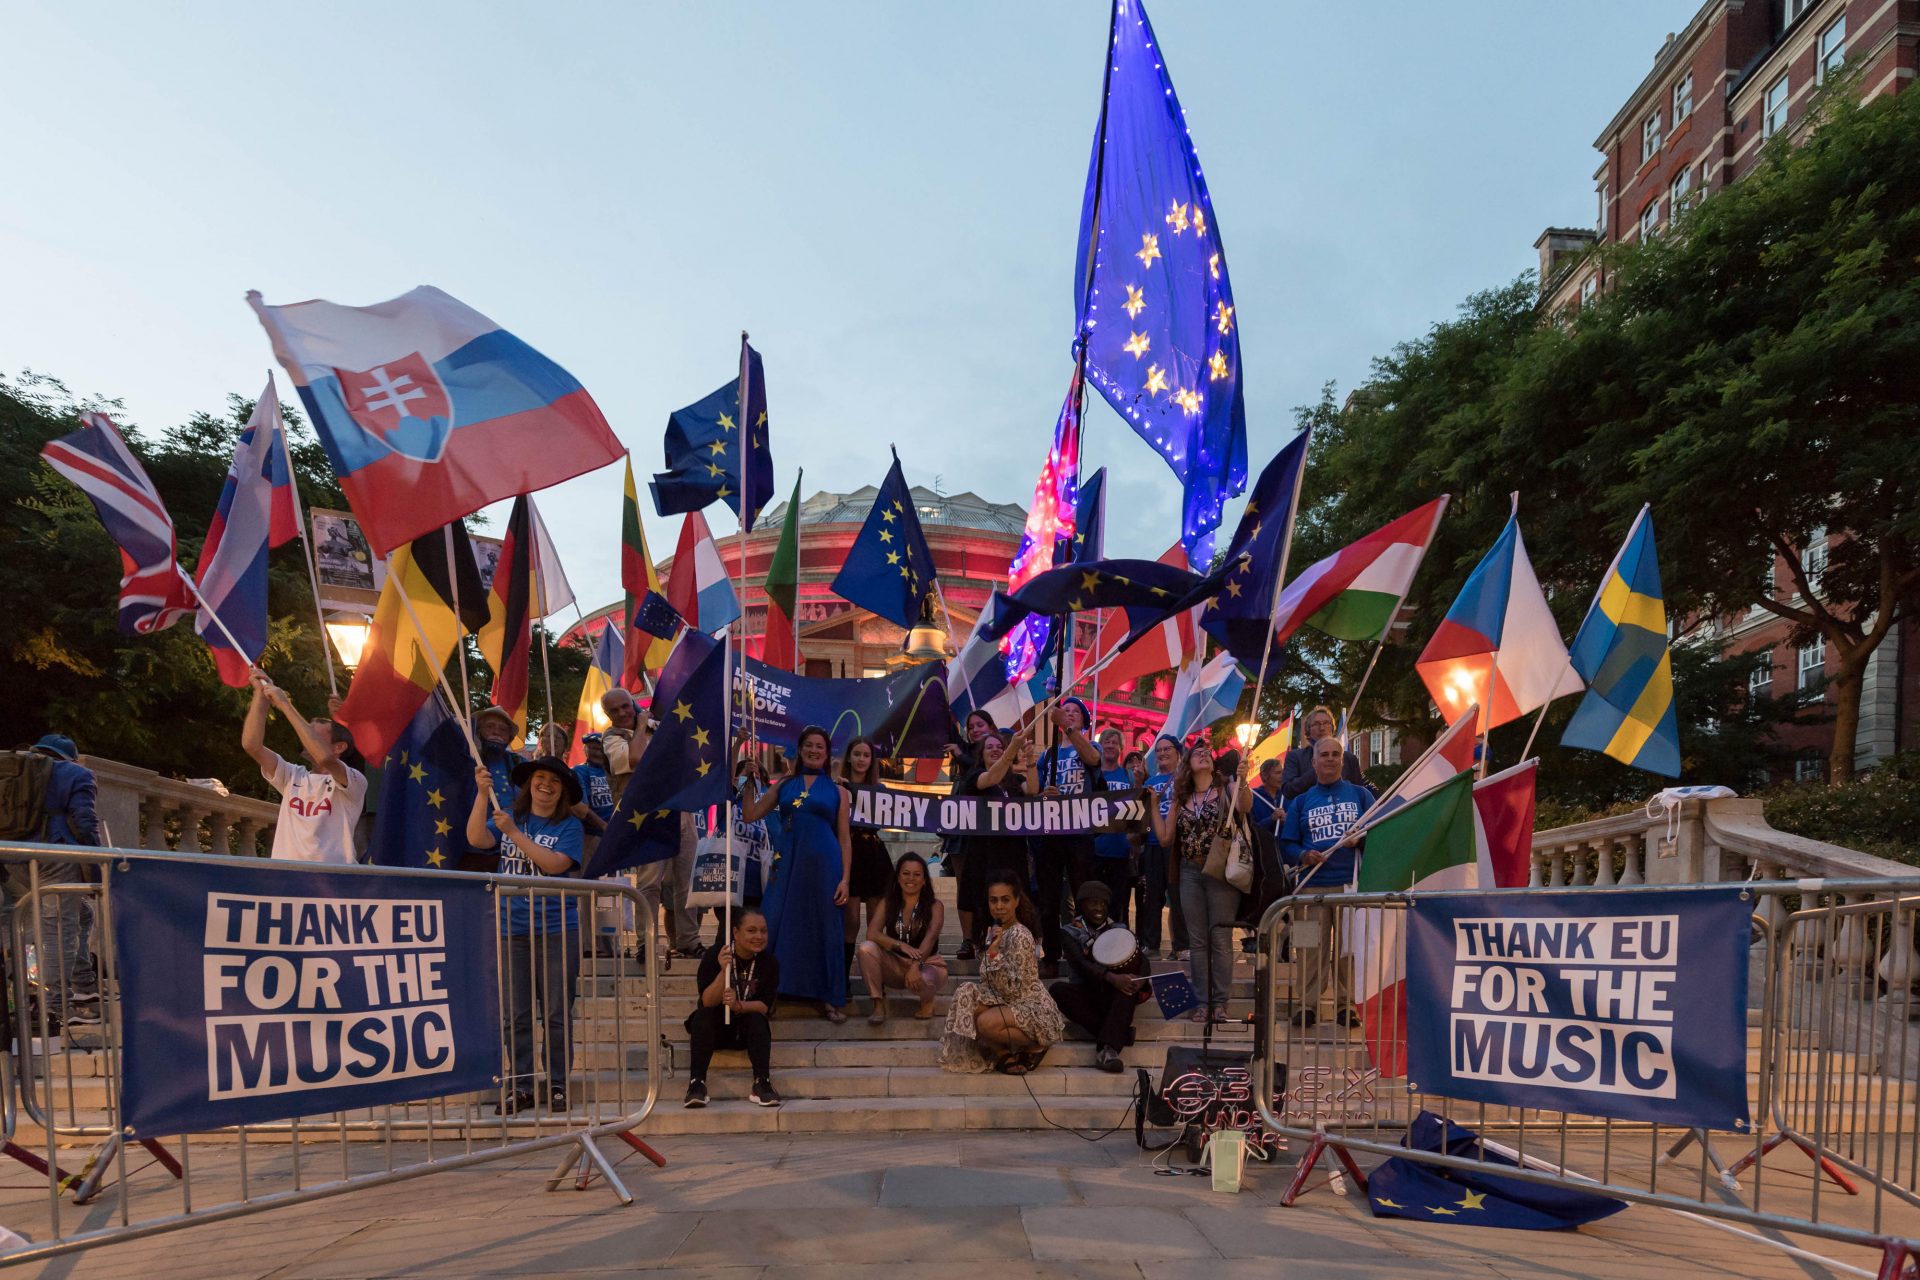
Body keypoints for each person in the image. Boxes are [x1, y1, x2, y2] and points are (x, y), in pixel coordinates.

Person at [464, 756, 585, 1113]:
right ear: (529, 783)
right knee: (515, 1015)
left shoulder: (569, 826)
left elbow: (555, 865)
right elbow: (477, 837)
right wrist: (482, 795)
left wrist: (515, 835)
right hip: (509, 929)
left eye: (555, 781)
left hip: (556, 929)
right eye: (540, 777)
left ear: (562, 791)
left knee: (556, 1013)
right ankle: (521, 1086)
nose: (546, 784)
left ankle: (558, 1083)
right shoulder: (512, 816)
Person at [742, 725, 851, 1023]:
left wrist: (845, 879)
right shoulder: (782, 786)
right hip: (786, 863)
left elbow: (844, 838)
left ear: (827, 753)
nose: (814, 751)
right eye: (809, 746)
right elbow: (750, 814)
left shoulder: (840, 791)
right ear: (800, 750)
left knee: (825, 927)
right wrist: (750, 781)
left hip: (825, 866)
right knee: (774, 922)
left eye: (820, 746)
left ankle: (829, 998)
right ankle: (769, 994)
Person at [1149, 739, 1252, 1023]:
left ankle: (1220, 1003)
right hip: (1189, 872)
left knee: (1219, 938)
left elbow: (1245, 807)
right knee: (1197, 942)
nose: (1204, 755)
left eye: (1208, 753)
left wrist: (1243, 780)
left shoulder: (1225, 790)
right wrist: (1155, 807)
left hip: (1220, 871)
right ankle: (1202, 1003)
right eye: (1198, 753)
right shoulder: (1180, 799)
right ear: (1188, 763)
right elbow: (1165, 838)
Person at [1279, 735, 1376, 1029]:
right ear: (1314, 762)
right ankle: (1307, 1005)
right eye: (1325, 755)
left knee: (1348, 951)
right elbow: (1287, 843)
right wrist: (1304, 854)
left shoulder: (1361, 796)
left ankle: (1347, 1006)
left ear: (1343, 761)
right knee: (1308, 950)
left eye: (1336, 754)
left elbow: (1380, 833)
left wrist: (1362, 839)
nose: (1331, 759)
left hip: (1349, 888)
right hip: (1310, 889)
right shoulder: (1301, 801)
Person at [940, 875, 1064, 1075]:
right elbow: (988, 980)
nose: (999, 906)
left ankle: (1037, 1044)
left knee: (984, 1023)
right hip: (1005, 1000)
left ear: (1016, 901)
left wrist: (994, 954)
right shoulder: (993, 932)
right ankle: (1003, 1053)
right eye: (993, 900)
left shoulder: (1021, 935)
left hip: (1029, 1004)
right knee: (966, 1000)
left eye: (1005, 900)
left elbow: (1013, 989)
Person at [242, 668, 367, 865]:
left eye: (312, 731)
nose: (305, 734)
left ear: (339, 747)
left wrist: (285, 705)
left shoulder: (355, 780)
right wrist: (260, 698)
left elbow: (325, 758)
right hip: (288, 880)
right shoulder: (293, 775)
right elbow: (252, 745)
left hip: (333, 882)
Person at [18, 734, 102, 1027]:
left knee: (34, 929)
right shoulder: (76, 774)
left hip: (13, 859)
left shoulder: (15, 769)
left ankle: (44, 991)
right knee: (57, 932)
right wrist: (97, 865)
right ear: (70, 757)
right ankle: (52, 1006)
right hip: (54, 855)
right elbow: (84, 821)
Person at [1025, 699, 1102, 976]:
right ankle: (1052, 956)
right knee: (1049, 897)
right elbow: (1037, 789)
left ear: (1082, 721)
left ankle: (1085, 950)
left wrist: (1068, 729)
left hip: (1079, 831)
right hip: (1052, 832)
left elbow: (1093, 760)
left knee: (1083, 893)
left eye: (1075, 713)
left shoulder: (1090, 746)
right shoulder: (1049, 755)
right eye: (1065, 711)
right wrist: (1045, 794)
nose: (1069, 714)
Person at [682, 908, 782, 1109]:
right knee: (702, 1017)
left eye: (763, 931)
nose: (759, 936)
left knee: (757, 1019)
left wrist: (738, 1005)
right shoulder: (716, 955)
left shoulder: (769, 962)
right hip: (717, 1026)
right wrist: (723, 971)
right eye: (751, 930)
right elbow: (708, 1001)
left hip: (744, 1028)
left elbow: (764, 1006)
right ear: (736, 933)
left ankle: (762, 1082)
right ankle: (697, 1083)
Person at [1050, 880, 1148, 1073]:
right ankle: (1120, 1033)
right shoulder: (1069, 932)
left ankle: (1107, 1051)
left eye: (1103, 903)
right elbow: (1081, 964)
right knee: (1057, 990)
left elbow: (1143, 960)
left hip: (1115, 994)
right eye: (1093, 903)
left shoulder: (1118, 929)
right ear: (1081, 905)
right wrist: (1111, 978)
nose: (1099, 908)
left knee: (1127, 988)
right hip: (1087, 990)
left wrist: (1141, 980)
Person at [954, 727, 1034, 953]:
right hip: (984, 849)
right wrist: (1012, 749)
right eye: (990, 747)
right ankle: (980, 942)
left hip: (1012, 850)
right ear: (981, 753)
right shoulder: (974, 776)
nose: (996, 750)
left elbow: (1033, 789)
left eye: (1000, 746)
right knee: (982, 895)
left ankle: (1017, 940)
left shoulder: (1014, 779)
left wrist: (1029, 759)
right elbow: (992, 777)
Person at [857, 851, 947, 1022]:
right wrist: (900, 946)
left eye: (916, 874)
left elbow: (931, 937)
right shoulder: (888, 902)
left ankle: (927, 1002)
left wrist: (915, 965)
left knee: (925, 978)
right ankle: (878, 1005)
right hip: (895, 964)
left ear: (924, 880)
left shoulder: (935, 906)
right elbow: (872, 933)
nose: (911, 878)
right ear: (898, 878)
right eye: (906, 873)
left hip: (927, 964)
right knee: (866, 948)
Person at [947, 709, 998, 958]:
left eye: (980, 724)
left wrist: (961, 757)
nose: (975, 729)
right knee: (963, 885)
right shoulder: (962, 749)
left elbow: (981, 774)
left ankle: (989, 935)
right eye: (971, 726)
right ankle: (968, 939)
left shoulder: (995, 749)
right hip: (962, 825)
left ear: (991, 727)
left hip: (989, 830)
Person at [840, 736, 892, 979]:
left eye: (866, 755)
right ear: (849, 757)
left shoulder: (880, 790)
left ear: (872, 760)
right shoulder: (837, 786)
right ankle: (843, 979)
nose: (861, 759)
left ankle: (876, 977)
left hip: (873, 854)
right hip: (849, 853)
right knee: (851, 921)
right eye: (857, 754)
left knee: (875, 923)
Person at [1138, 735, 1189, 961]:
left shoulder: (1184, 778)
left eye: (1167, 748)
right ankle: (1151, 943)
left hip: (1176, 843)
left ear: (1178, 752)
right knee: (1153, 896)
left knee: (1177, 894)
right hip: (1152, 844)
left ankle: (1181, 945)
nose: (1162, 753)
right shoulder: (1150, 783)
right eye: (1158, 750)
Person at [1091, 729, 1135, 929]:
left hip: (1121, 851)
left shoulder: (1129, 776)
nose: (1110, 746)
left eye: (1114, 743)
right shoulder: (1092, 776)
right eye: (1106, 742)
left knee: (1120, 905)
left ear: (1121, 748)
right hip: (1095, 850)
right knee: (1095, 903)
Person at [1279, 705, 1365, 801]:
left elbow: (1360, 793)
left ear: (1332, 729)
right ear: (1308, 730)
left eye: (1326, 723)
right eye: (1316, 724)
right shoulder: (1295, 756)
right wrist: (1317, 771)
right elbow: (1288, 790)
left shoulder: (1348, 758)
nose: (1322, 728)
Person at [474, 706, 525, 806]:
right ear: (478, 731)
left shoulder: (520, 763)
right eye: (489, 726)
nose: (496, 732)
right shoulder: (467, 760)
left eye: (503, 729)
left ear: (509, 738)